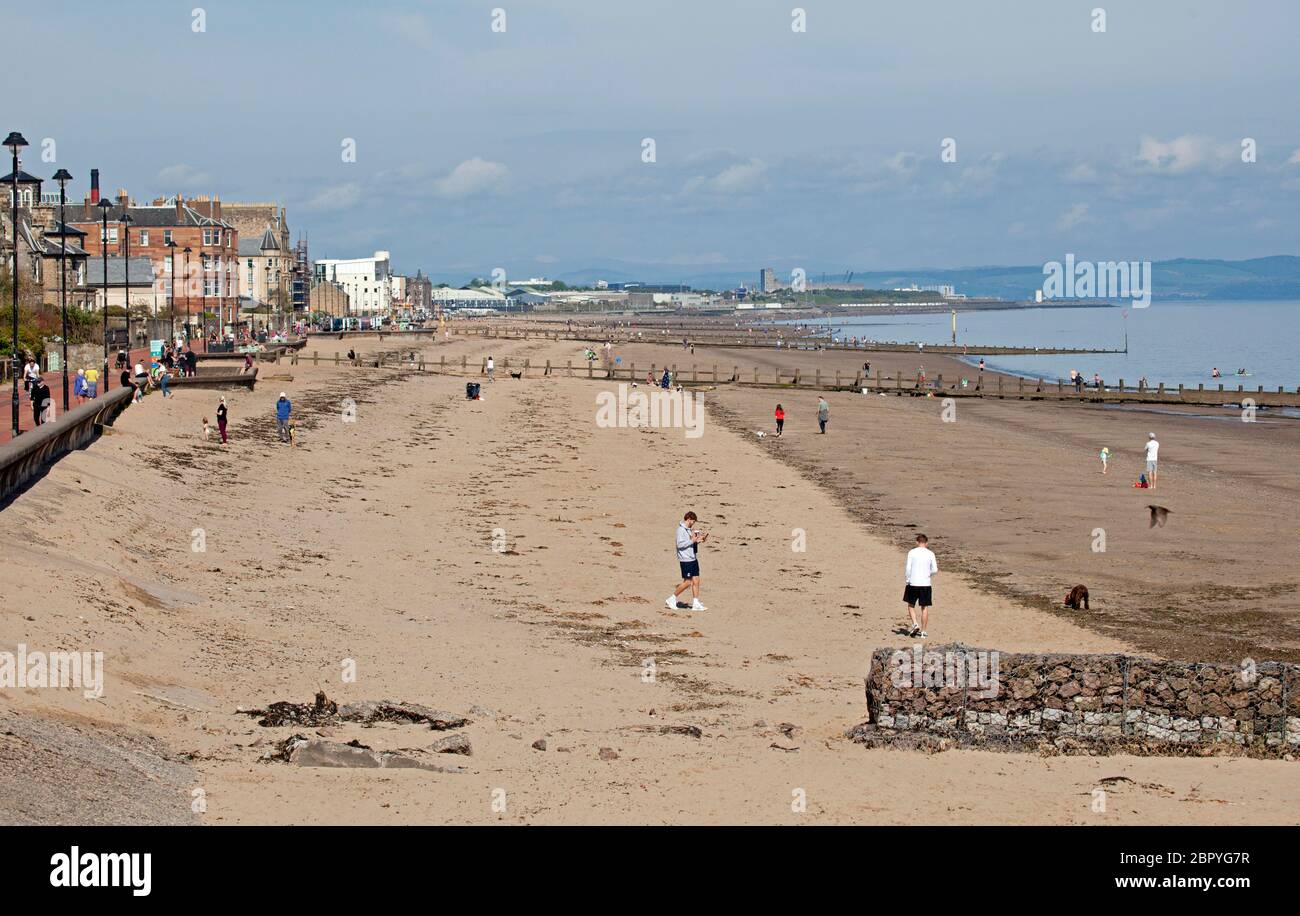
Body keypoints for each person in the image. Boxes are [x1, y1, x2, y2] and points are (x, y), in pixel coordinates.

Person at [666, 511, 708, 612]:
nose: (693, 523)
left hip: (693, 558)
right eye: (693, 521)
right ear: (688, 519)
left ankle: (696, 603)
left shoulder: (688, 530)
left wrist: (698, 540)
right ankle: (672, 598)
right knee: (688, 582)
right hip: (685, 559)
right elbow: (680, 545)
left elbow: (689, 542)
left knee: (696, 580)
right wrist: (692, 541)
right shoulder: (680, 530)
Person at [903, 533, 938, 638]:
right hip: (926, 584)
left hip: (913, 582)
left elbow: (908, 568)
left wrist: (908, 579)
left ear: (917, 542)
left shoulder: (912, 552)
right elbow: (935, 570)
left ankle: (915, 623)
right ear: (926, 543)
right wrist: (928, 575)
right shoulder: (930, 553)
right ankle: (923, 631)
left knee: (911, 605)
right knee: (924, 607)